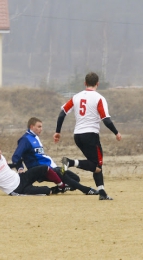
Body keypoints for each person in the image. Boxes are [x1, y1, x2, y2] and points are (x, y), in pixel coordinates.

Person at [53, 72, 122, 200]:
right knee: (97, 165)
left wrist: (58, 131)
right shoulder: (99, 98)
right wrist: (116, 132)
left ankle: (102, 193)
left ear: (85, 83)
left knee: (96, 165)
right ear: (98, 83)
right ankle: (69, 162)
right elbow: (106, 119)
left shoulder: (76, 97)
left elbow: (62, 114)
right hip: (90, 135)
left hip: (77, 135)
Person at [12, 117, 98, 195]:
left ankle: (56, 190)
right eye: (39, 127)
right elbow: (16, 156)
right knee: (62, 174)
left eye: (41, 127)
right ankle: (86, 190)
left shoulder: (35, 137)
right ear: (31, 127)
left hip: (51, 167)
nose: (41, 129)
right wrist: (20, 168)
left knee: (75, 178)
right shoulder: (25, 139)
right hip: (40, 169)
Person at [0, 142, 81, 196]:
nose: (0, 152)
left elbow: (7, 166)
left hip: (21, 177)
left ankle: (61, 186)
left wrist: (19, 165)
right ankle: (57, 189)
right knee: (46, 191)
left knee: (45, 168)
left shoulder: (1, 158)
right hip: (17, 189)